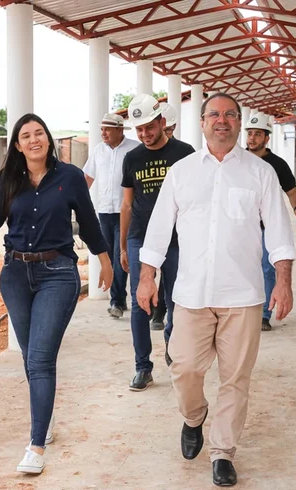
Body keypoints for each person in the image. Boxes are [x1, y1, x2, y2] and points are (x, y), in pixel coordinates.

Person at [136, 92, 296, 487]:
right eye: (214, 115)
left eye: (229, 115)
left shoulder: (260, 174)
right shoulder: (182, 171)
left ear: (239, 123)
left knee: (235, 379)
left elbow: (278, 231)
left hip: (242, 296)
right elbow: (158, 229)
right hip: (191, 294)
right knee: (184, 367)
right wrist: (146, 275)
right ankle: (194, 417)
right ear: (202, 123)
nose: (221, 121)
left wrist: (284, 281)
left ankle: (223, 452)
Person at [0, 113, 113, 475]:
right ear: (17, 145)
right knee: (30, 355)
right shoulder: (8, 180)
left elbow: (89, 221)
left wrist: (105, 261)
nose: (34, 140)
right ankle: (43, 416)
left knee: (40, 358)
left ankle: (36, 445)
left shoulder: (69, 178)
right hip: (15, 275)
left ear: (48, 139)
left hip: (58, 273)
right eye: (26, 136)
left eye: (39, 133)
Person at [120, 94, 195, 390]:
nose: (144, 135)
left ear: (163, 122)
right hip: (141, 236)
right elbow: (127, 204)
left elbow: (196, 201)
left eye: (149, 127)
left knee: (176, 301)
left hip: (178, 239)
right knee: (140, 303)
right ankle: (142, 366)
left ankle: (172, 350)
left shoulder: (184, 153)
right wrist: (123, 246)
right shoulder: (132, 158)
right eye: (138, 130)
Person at [245, 115, 296, 331]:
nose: (252, 138)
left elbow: (292, 190)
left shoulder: (277, 164)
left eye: (257, 134)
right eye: (250, 133)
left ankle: (263, 315)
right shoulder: (238, 159)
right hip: (243, 226)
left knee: (268, 270)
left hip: (266, 227)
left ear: (266, 138)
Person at [84, 113, 139, 319]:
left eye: (107, 129)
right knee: (106, 255)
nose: (103, 133)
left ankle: (116, 300)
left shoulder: (134, 149)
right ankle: (119, 298)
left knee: (119, 256)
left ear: (119, 130)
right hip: (104, 211)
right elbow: (87, 177)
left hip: (126, 212)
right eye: (101, 129)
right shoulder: (98, 151)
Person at [150, 102, 181, 331]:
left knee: (172, 277)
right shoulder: (143, 155)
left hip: (177, 228)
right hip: (151, 225)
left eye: (169, 130)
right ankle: (158, 313)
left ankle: (164, 317)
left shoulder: (183, 153)